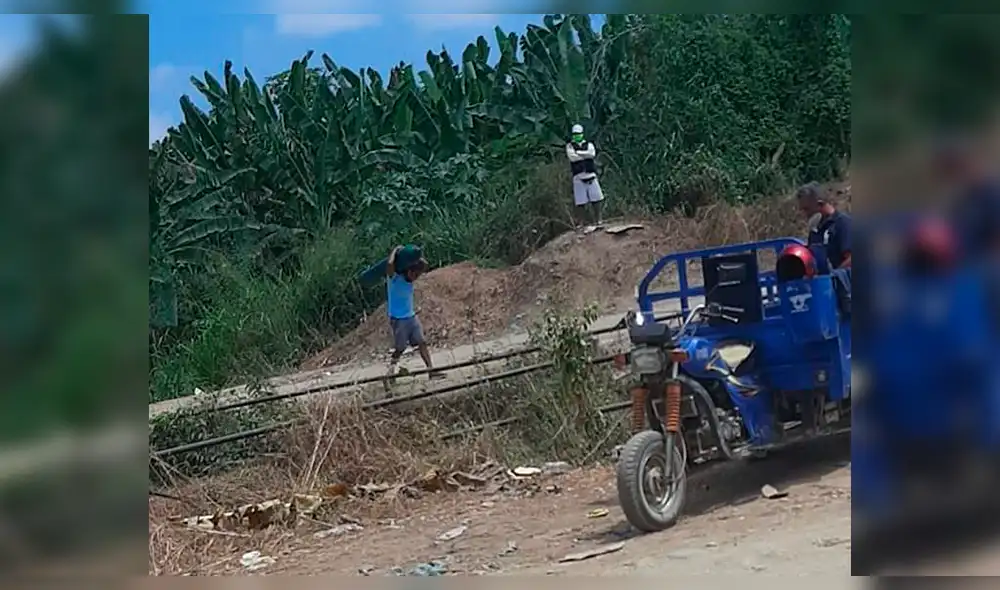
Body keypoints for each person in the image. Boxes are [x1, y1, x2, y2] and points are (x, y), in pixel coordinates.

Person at [385, 246, 444, 379]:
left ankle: (431, 371)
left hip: (411, 316)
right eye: (414, 274)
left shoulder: (410, 280)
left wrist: (415, 255)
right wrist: (395, 250)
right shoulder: (394, 279)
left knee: (422, 342)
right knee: (400, 349)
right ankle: (390, 372)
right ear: (408, 271)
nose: (416, 277)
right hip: (398, 319)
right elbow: (389, 264)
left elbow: (425, 265)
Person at [796, 181, 852, 270]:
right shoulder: (815, 229)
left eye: (807, 209)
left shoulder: (842, 224)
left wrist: (835, 276)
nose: (805, 215)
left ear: (820, 204)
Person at [565, 123, 604, 228]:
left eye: (578, 133)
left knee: (597, 199)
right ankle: (581, 223)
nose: (577, 135)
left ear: (582, 134)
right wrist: (585, 155)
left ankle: (599, 220)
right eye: (575, 134)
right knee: (580, 202)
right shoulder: (569, 146)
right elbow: (573, 158)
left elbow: (592, 154)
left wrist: (579, 153)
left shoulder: (589, 144)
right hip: (578, 177)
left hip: (591, 174)